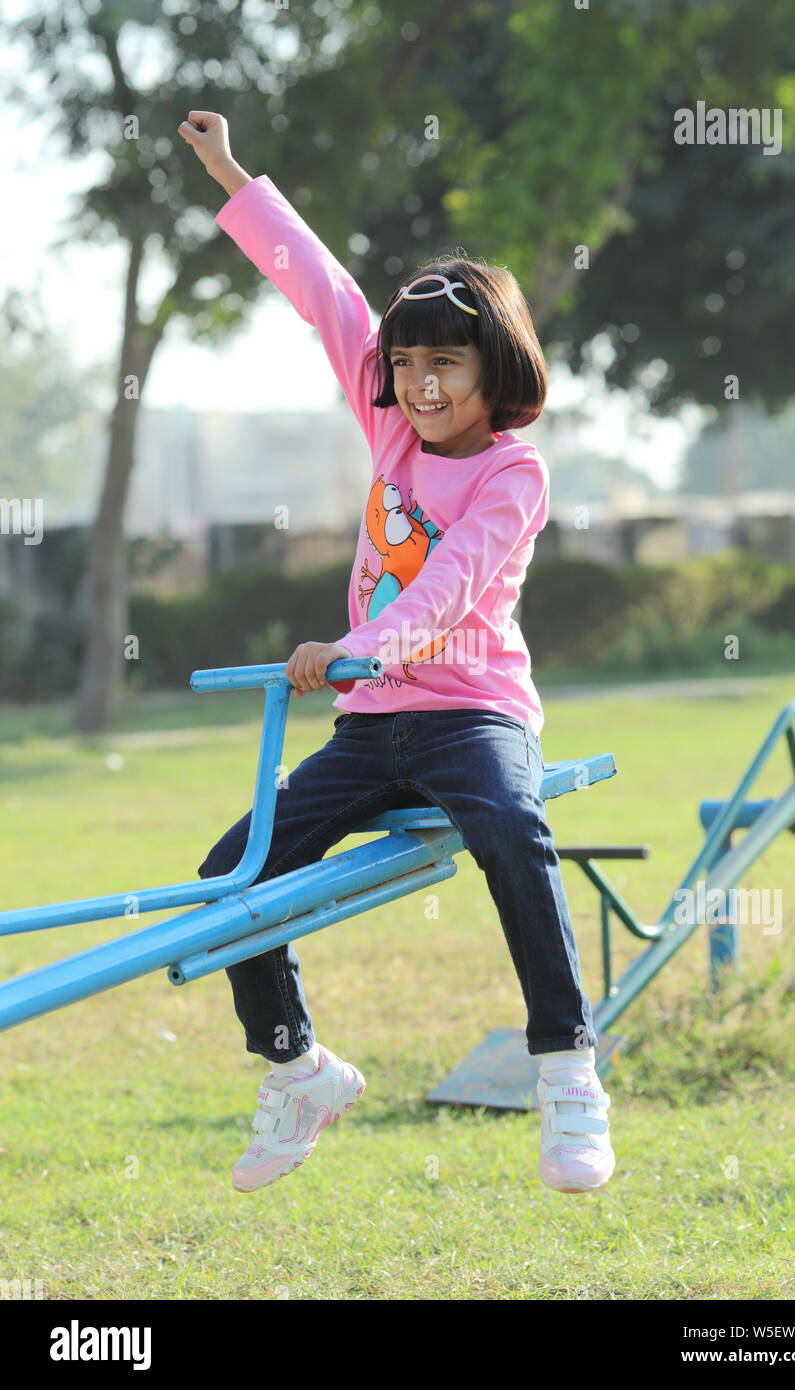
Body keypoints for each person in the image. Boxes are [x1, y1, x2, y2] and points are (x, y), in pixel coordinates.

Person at [178, 110, 615, 1197]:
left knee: (512, 829)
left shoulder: (513, 475)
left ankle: (564, 1067)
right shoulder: (390, 433)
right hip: (371, 731)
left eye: (444, 364)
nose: (419, 384)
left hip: (473, 714)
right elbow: (323, 290)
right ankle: (298, 1067)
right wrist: (233, 174)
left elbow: (452, 582)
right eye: (407, 364)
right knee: (231, 871)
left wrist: (358, 647)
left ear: (492, 366)